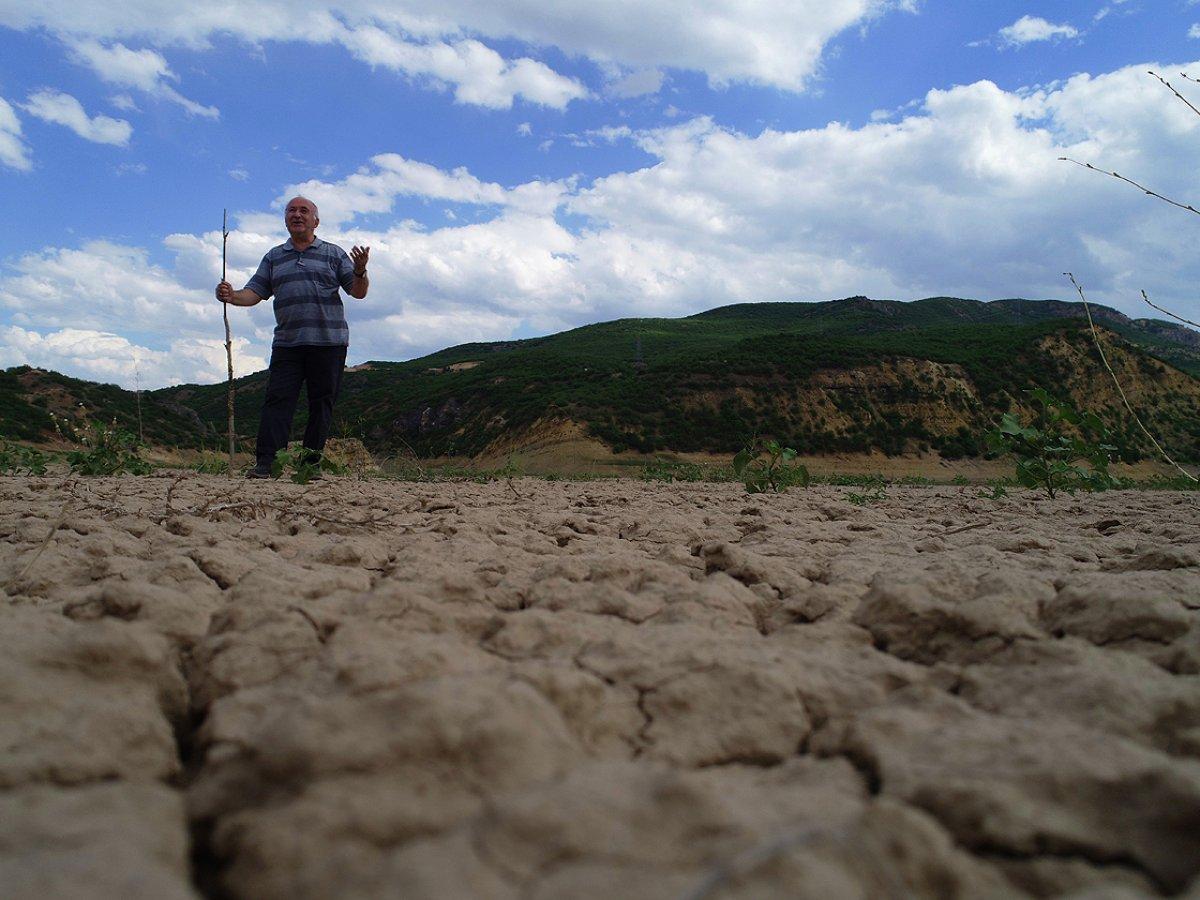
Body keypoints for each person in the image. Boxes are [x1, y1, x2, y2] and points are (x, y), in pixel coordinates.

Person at [215, 196, 370, 478]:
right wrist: (231, 295)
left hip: (329, 343)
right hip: (288, 343)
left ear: (316, 221)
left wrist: (360, 270)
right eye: (291, 211)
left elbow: (358, 292)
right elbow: (254, 293)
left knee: (321, 405)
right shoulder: (274, 257)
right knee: (277, 401)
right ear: (286, 219)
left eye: (304, 211)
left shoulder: (334, 254)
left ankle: (310, 466)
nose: (297, 215)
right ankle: (267, 464)